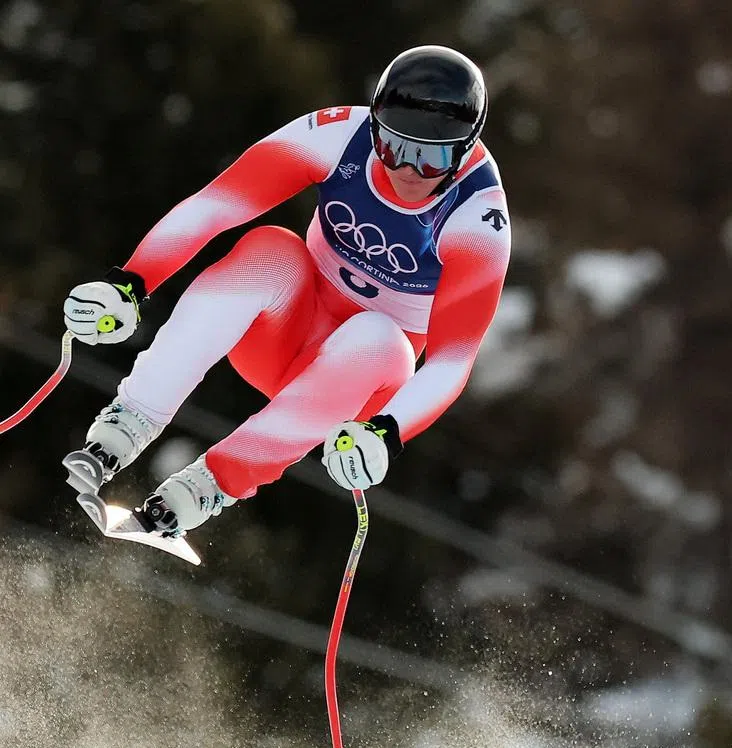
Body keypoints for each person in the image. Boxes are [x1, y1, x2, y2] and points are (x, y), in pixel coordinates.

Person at [61, 44, 510, 538]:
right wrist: (130, 281)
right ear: (374, 127)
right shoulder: (339, 135)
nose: (407, 170)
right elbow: (218, 204)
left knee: (380, 337)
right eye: (393, 147)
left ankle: (210, 486)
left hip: (356, 388)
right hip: (280, 334)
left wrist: (387, 432)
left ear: (465, 151)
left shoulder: (477, 219)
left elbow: (452, 361)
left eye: (431, 158)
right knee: (270, 248)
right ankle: (129, 422)